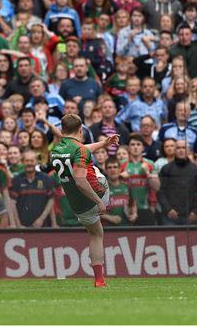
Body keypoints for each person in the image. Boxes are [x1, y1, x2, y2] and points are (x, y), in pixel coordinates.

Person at [51, 114, 119, 287]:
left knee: (96, 235)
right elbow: (81, 180)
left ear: (62, 130)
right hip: (95, 194)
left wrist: (104, 144)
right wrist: (99, 201)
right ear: (81, 130)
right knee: (94, 169)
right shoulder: (81, 150)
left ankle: (99, 279)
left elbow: (82, 149)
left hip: (77, 204)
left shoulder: (56, 150)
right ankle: (99, 279)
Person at [157, 139, 197, 225]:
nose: (181, 150)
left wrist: (195, 212)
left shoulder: (196, 170)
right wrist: (168, 209)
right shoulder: (166, 169)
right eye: (178, 148)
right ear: (175, 150)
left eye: (184, 148)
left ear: (189, 151)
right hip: (170, 216)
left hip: (190, 216)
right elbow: (161, 192)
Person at [10, 149, 57, 228]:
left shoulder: (46, 179)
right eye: (27, 161)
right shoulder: (16, 180)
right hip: (23, 227)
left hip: (43, 226)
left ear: (36, 162)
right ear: (22, 162)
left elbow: (51, 201)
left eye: (32, 161)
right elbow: (12, 204)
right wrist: (18, 224)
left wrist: (42, 219)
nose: (29, 163)